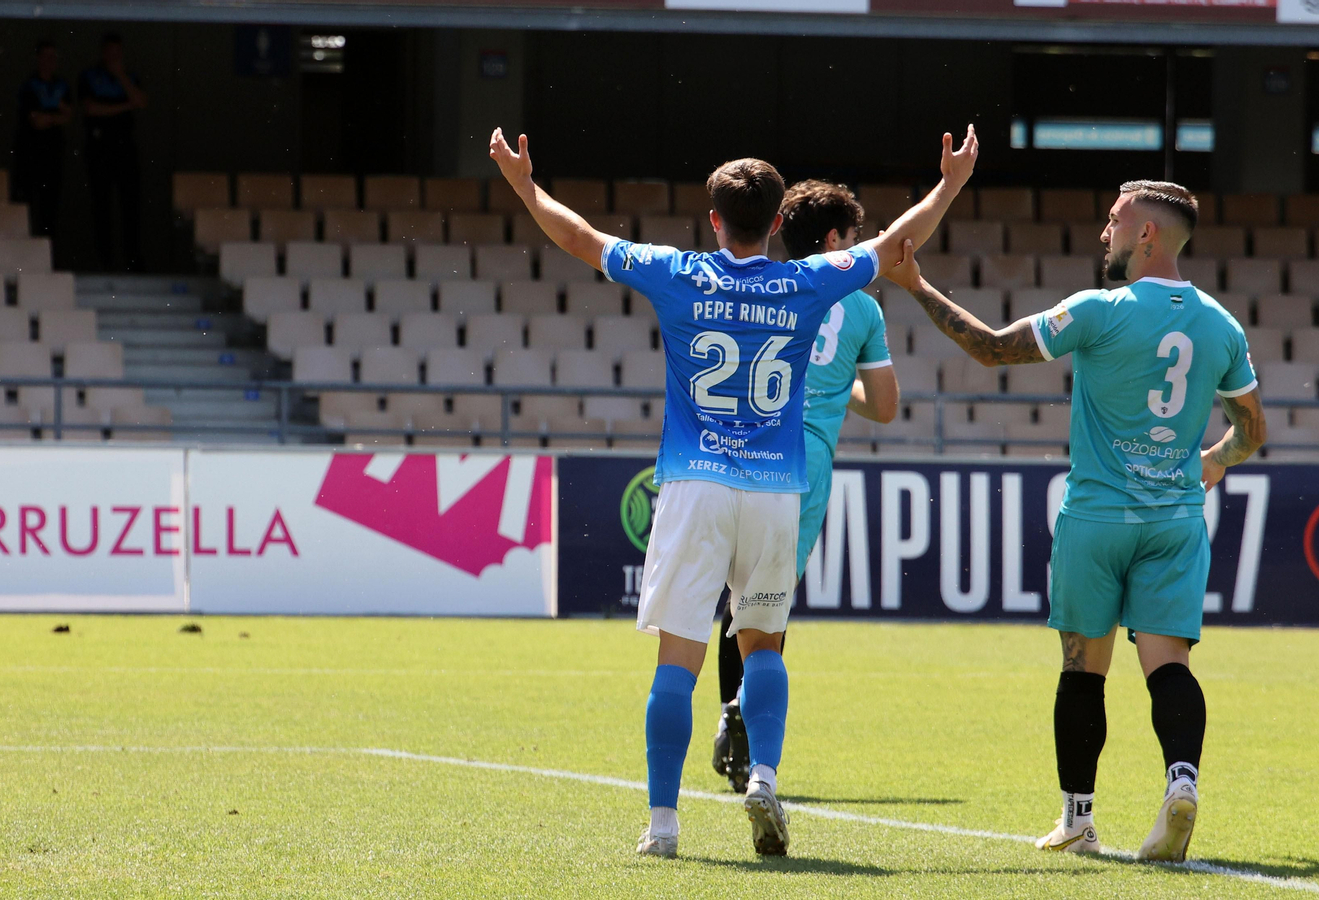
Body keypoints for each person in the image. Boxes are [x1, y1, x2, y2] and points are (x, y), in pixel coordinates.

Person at [490, 124, 977, 858]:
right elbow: (897, 243)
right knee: (764, 647)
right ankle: (765, 778)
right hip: (778, 490)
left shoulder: (679, 274)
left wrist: (525, 187)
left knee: (677, 660)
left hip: (694, 486)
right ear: (780, 223)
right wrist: (950, 184)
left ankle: (662, 827)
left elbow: (584, 240)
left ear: (713, 218)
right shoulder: (804, 281)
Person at [883, 180, 1266, 862]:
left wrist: (915, 284)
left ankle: (1079, 820)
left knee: (1083, 670)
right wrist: (1211, 462)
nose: (1104, 234)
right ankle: (1181, 784)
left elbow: (993, 348)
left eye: (1115, 221)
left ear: (1145, 233)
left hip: (1095, 519)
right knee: (1168, 666)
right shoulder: (1220, 325)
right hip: (1175, 521)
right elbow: (1253, 430)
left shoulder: (1098, 310)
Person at [710, 181, 901, 793]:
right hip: (806, 461)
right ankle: (748, 719)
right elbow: (887, 406)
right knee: (769, 605)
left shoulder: (763, 285)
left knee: (736, 596)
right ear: (833, 241)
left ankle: (728, 714)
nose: (858, 245)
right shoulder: (862, 307)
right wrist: (837, 378)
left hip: (744, 445)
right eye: (852, 236)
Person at [80, 32, 147, 272]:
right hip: (99, 148)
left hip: (125, 148)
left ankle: (132, 260)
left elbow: (141, 101)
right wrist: (125, 106)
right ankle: (104, 261)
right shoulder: (90, 76)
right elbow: (91, 109)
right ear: (102, 52)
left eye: (118, 52)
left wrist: (121, 77)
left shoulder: (130, 76)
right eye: (110, 52)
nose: (113, 56)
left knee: (130, 205)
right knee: (101, 206)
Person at [13, 39, 72, 245]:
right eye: (46, 56)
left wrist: (51, 117)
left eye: (53, 57)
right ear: (38, 58)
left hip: (53, 155)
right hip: (30, 154)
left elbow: (69, 115)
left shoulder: (62, 85)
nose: (50, 61)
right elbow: (36, 121)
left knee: (50, 210)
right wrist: (56, 115)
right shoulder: (29, 85)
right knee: (26, 206)